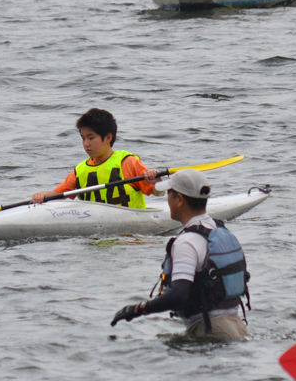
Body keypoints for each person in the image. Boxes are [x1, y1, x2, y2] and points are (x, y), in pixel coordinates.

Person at [110, 170, 250, 341]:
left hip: (211, 330)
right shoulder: (216, 229)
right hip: (237, 325)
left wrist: (138, 309)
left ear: (180, 200)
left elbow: (179, 294)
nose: (167, 200)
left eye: (169, 194)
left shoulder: (187, 242)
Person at [31, 108, 160, 208]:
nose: (86, 143)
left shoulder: (127, 162)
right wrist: (42, 196)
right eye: (83, 138)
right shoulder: (81, 171)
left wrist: (156, 181)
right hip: (95, 236)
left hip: (131, 237)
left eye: (91, 138)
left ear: (108, 138)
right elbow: (58, 195)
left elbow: (158, 192)